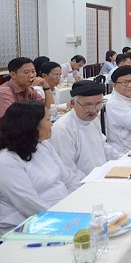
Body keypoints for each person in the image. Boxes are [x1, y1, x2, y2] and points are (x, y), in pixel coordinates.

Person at [0, 101, 80, 236]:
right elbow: (29, 204)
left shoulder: (43, 145)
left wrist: (77, 202)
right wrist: (66, 221)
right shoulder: (6, 160)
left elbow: (68, 179)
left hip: (62, 212)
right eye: (48, 119)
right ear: (32, 126)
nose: (52, 124)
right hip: (27, 226)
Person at [50, 81, 122, 182]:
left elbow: (103, 146)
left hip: (103, 177)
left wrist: (123, 159)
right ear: (73, 103)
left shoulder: (93, 120)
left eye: (98, 104)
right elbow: (67, 170)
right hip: (82, 185)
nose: (94, 110)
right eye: (88, 105)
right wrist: (93, 182)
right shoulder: (62, 129)